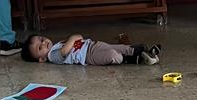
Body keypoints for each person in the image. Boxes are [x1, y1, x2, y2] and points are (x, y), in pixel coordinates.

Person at [21, 33, 160, 66]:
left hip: (92, 45)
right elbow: (64, 52)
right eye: (40, 47)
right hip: (88, 56)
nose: (44, 42)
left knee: (116, 47)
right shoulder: (52, 56)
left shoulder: (56, 45)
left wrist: (75, 39)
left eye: (41, 39)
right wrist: (73, 38)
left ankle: (140, 50)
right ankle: (134, 58)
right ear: (42, 59)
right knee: (111, 55)